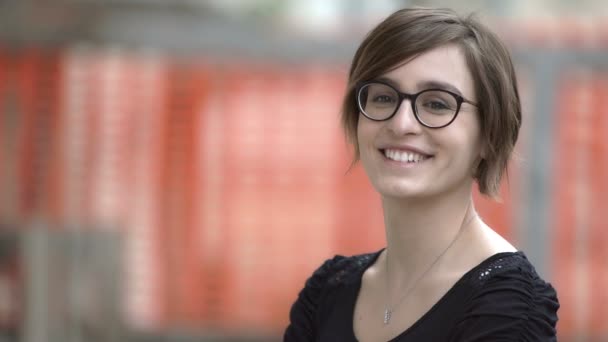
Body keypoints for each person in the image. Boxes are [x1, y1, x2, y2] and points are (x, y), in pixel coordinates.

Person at [283, 7, 559, 342]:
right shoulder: (327, 293)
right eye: (384, 97)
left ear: (489, 134)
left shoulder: (506, 308)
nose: (401, 124)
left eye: (437, 104)